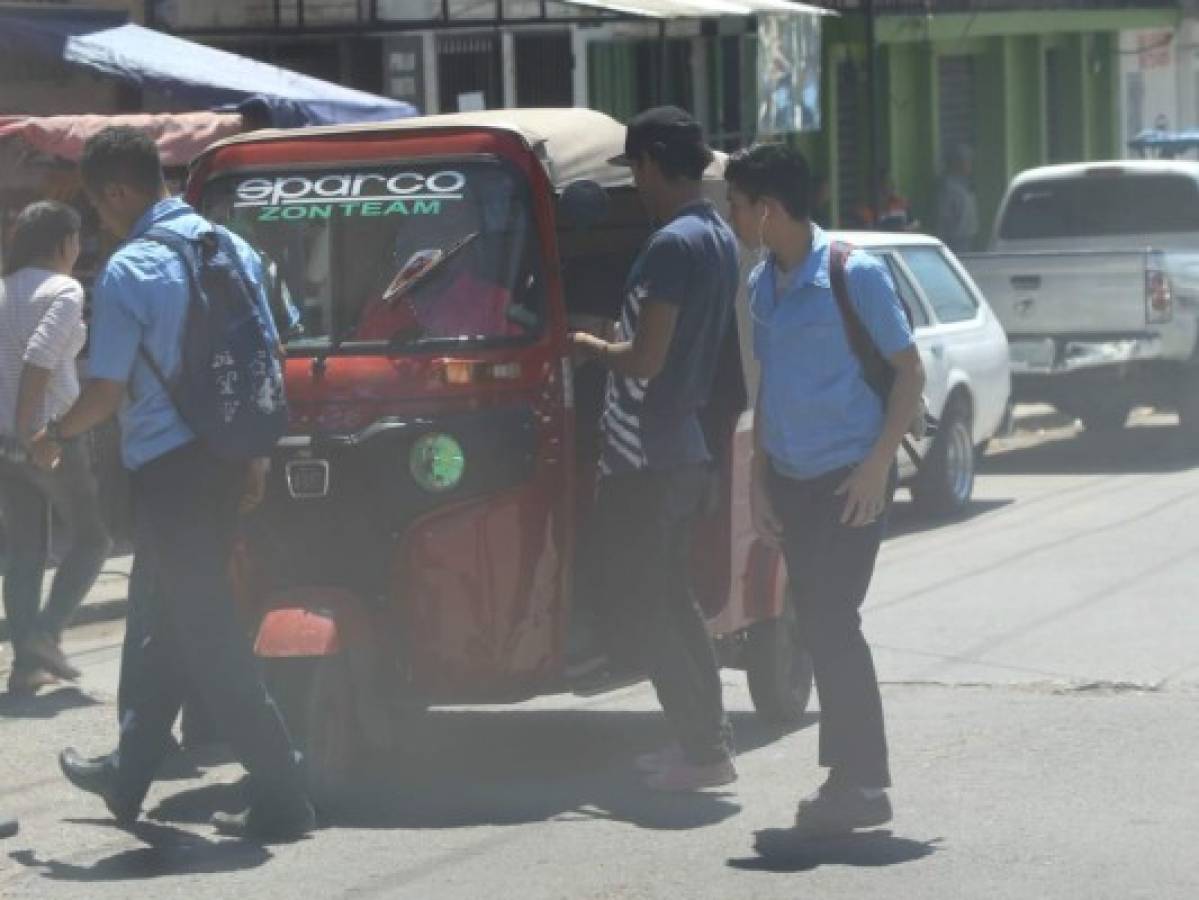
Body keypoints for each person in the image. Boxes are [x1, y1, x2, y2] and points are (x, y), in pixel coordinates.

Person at [32, 126, 314, 842]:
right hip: (222, 460)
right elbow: (269, 353)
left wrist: (55, 435)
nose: (98, 221)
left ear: (119, 191)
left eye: (98, 206)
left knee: (206, 629)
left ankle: (283, 791)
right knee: (159, 617)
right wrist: (251, 454)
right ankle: (129, 774)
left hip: (170, 472)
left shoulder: (133, 269)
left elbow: (105, 388)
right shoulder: (233, 248)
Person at [724, 144, 925, 836]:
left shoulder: (852, 274)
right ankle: (851, 780)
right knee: (816, 623)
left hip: (849, 480)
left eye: (736, 205)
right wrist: (757, 480)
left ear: (767, 209)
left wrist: (875, 465)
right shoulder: (759, 285)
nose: (731, 217)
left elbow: (909, 373)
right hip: (789, 481)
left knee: (833, 624)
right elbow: (766, 389)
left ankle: (861, 783)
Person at [570, 106, 738, 792]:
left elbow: (643, 360)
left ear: (649, 165)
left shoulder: (670, 244)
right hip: (681, 447)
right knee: (671, 600)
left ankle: (700, 751)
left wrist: (585, 346)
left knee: (646, 604)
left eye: (634, 169)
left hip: (645, 454)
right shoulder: (716, 235)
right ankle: (707, 746)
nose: (633, 184)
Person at [0, 201, 111, 696]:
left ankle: (27, 667)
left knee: (24, 554)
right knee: (93, 540)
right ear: (65, 242)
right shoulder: (63, 290)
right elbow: (39, 361)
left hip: (3, 445)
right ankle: (46, 635)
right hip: (49, 439)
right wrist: (35, 437)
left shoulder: (3, 290)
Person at [936, 143, 979, 253]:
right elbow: (945, 216)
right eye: (966, 161)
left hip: (967, 238)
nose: (969, 165)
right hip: (955, 240)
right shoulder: (948, 187)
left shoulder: (965, 184)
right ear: (956, 163)